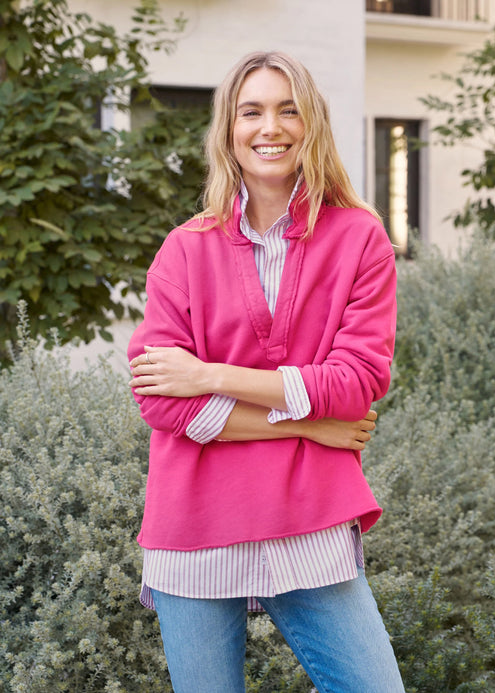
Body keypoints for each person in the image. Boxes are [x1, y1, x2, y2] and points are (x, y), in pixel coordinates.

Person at [128, 51, 405, 693]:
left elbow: (356, 383)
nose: (269, 127)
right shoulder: (184, 248)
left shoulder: (360, 237)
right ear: (229, 128)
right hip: (194, 524)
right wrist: (307, 429)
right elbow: (160, 402)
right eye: (251, 111)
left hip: (310, 514)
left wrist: (210, 375)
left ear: (312, 126)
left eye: (288, 110)